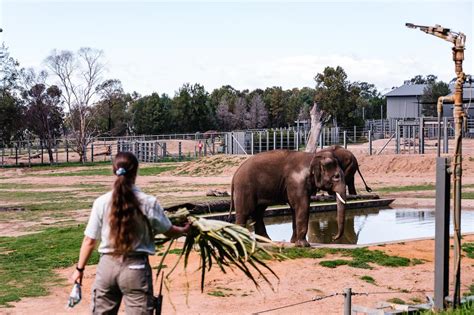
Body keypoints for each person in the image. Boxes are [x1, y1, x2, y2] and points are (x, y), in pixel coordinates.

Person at [70, 152, 190, 314]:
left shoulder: (101, 202)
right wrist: (183, 230)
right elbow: (168, 231)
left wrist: (79, 270)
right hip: (136, 267)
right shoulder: (148, 202)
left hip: (107, 267)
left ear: (114, 171)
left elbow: (89, 241)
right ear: (136, 172)